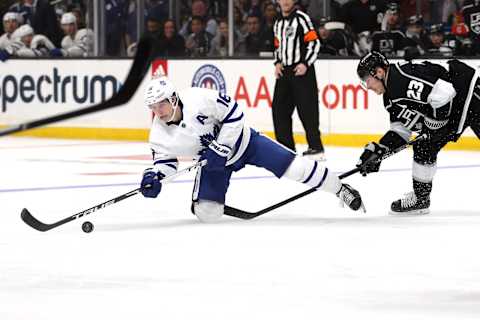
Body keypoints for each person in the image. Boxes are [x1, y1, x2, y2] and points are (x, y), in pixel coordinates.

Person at [139, 76, 364, 223]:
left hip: (247, 144)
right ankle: (205, 199)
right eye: (153, 107)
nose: (158, 111)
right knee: (207, 214)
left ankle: (339, 188)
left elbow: (235, 114)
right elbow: (165, 164)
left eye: (162, 104)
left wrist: (222, 146)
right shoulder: (157, 134)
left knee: (296, 169)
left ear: (174, 98)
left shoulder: (199, 98)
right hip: (215, 165)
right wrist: (154, 177)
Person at [356, 51, 480, 215]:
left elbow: (444, 93)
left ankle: (421, 199)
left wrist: (434, 125)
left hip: (469, 91)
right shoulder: (390, 98)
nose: (368, 86)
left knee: (427, 143)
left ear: (379, 72)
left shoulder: (400, 79)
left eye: (368, 80)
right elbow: (401, 131)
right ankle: (421, 199)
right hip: (461, 101)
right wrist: (378, 150)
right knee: (425, 145)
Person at [272, 0, 324, 159]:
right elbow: (277, 46)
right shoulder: (277, 23)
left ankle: (316, 148)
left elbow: (314, 43)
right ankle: (286, 148)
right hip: (284, 72)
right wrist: (277, 62)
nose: (286, 2)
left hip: (302, 71)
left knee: (307, 110)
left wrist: (305, 64)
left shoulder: (302, 18)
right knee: (279, 109)